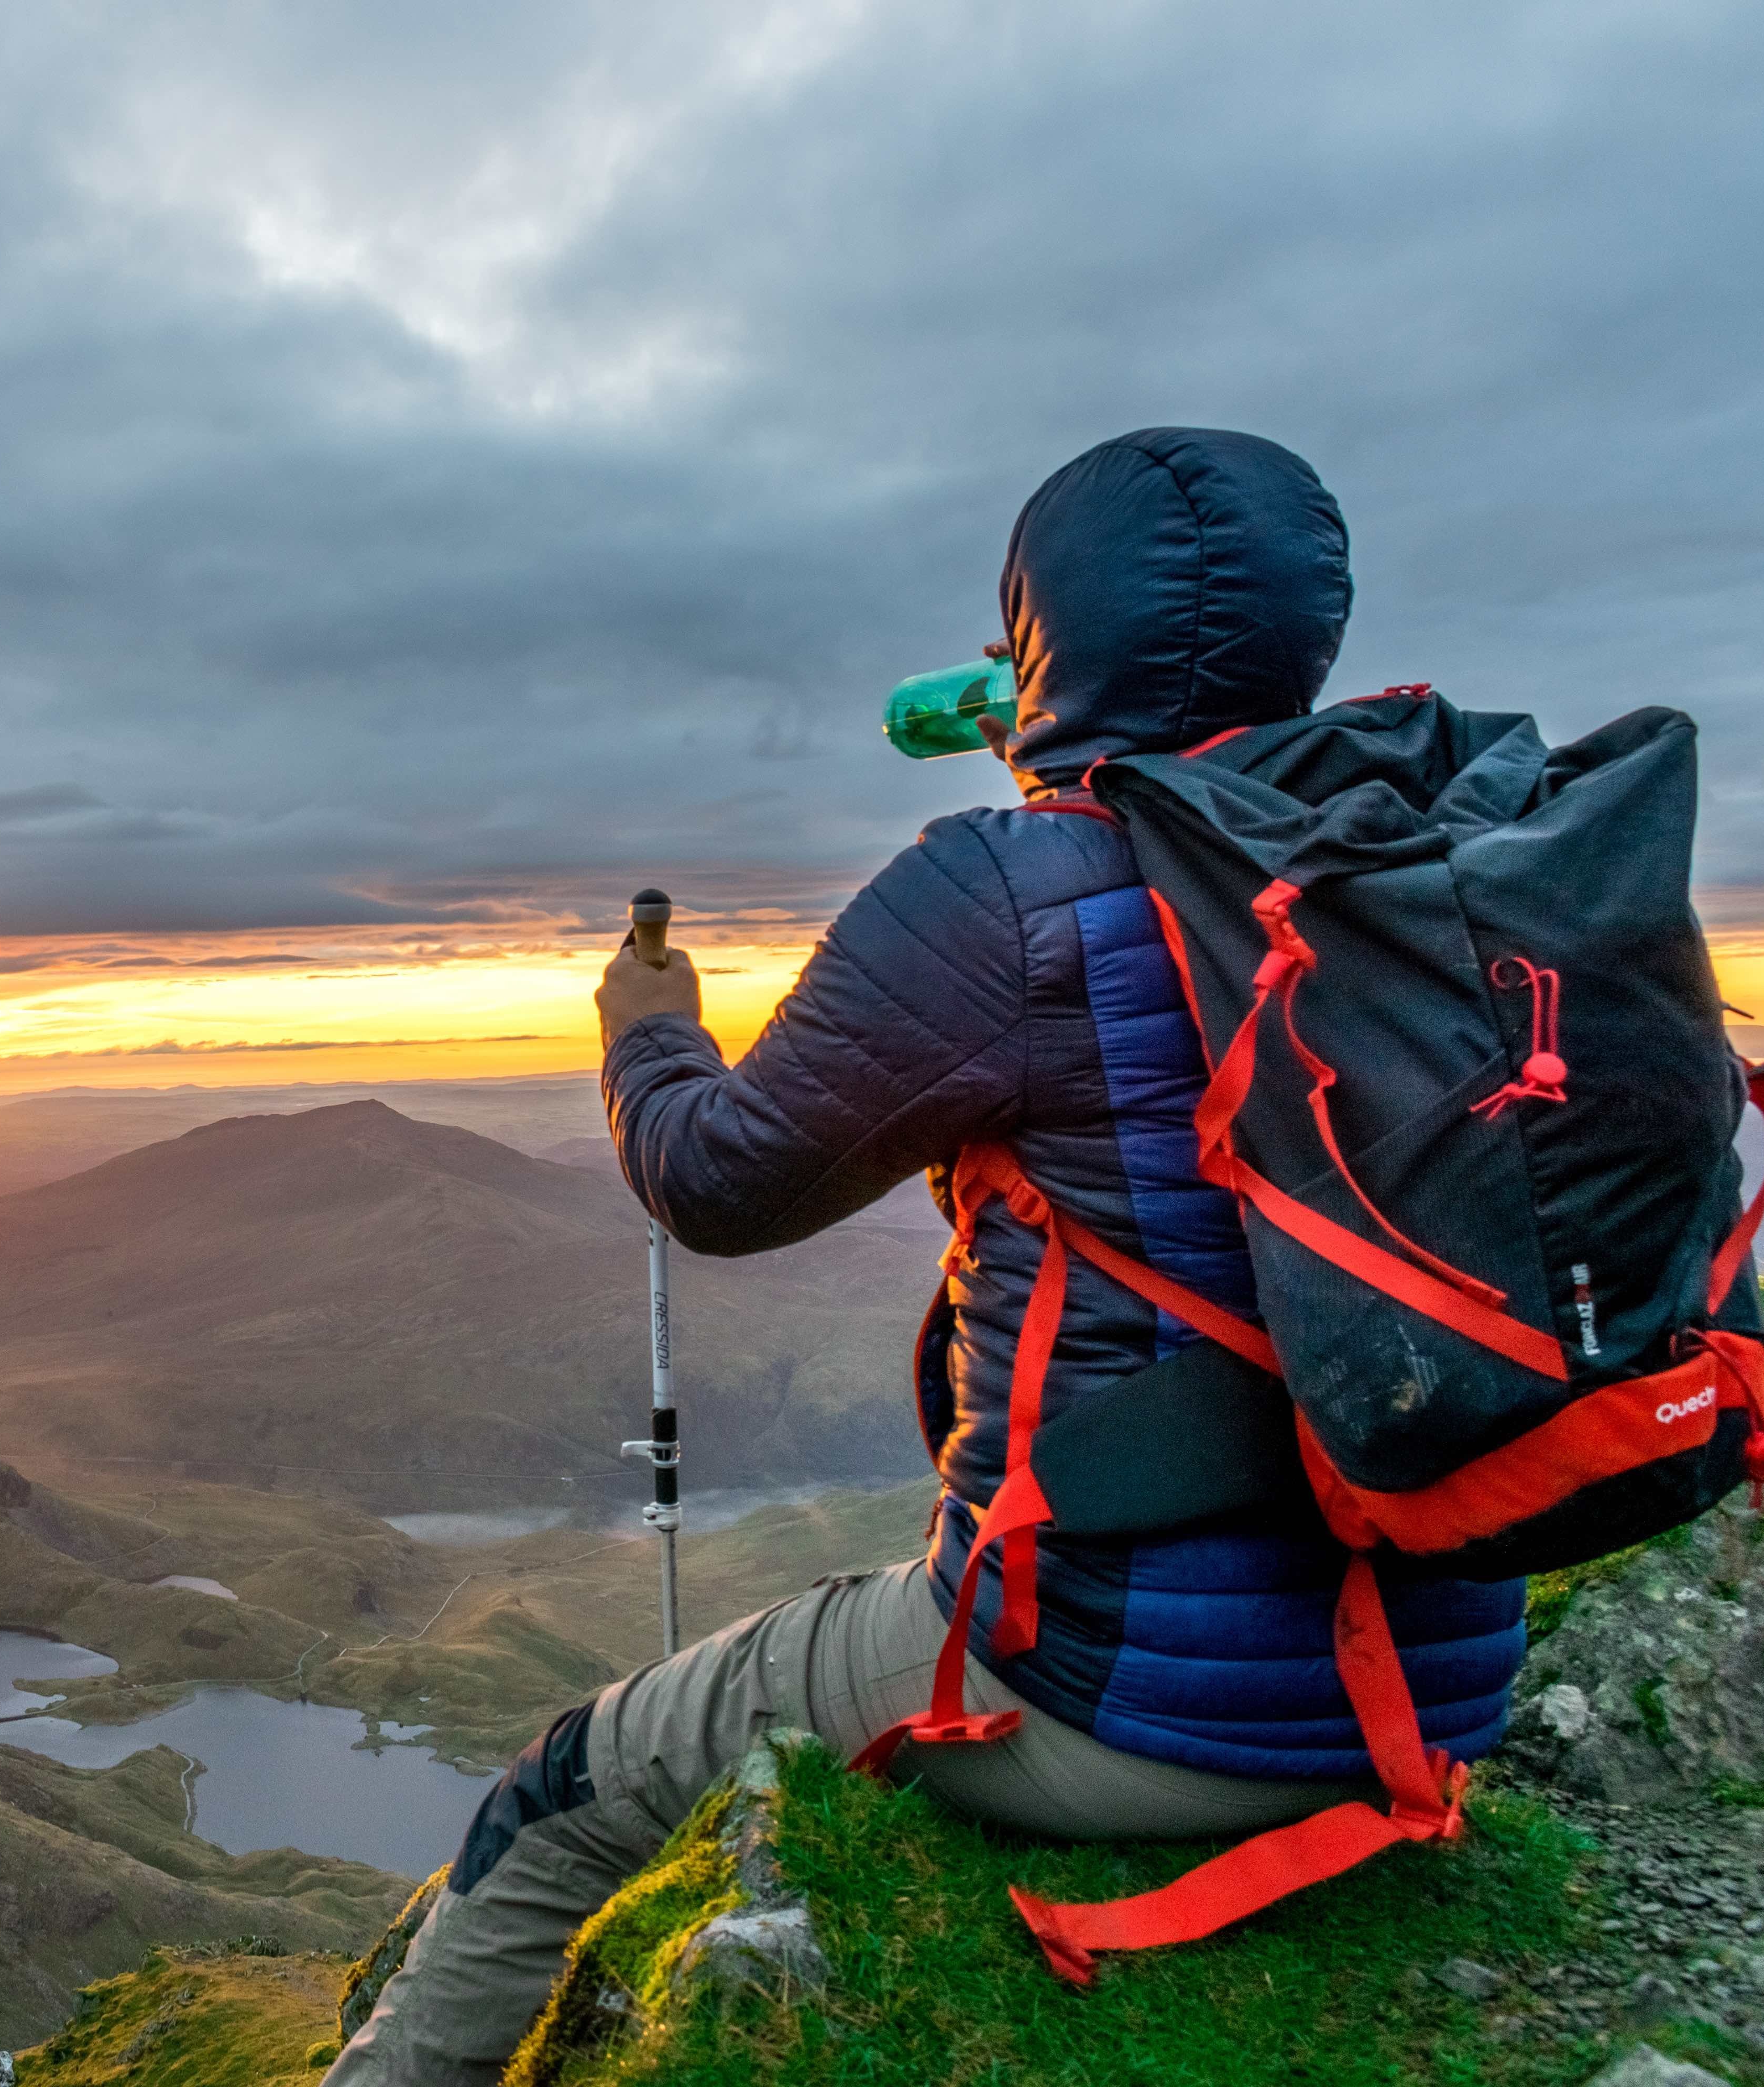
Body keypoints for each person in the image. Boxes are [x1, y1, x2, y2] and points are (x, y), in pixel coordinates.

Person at [323, 428, 1529, 2086]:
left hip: (1117, 1701)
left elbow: (718, 1183)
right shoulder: (1448, 867)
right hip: (1447, 1671)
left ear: (1042, 632)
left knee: (567, 1782)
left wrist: (650, 1034)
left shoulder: (1006, 888)